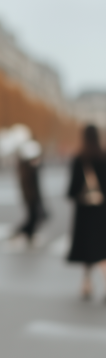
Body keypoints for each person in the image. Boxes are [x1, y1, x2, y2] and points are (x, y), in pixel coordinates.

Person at [67, 124, 106, 299]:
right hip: (102, 211)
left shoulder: (79, 159)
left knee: (86, 248)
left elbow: (72, 190)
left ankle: (87, 284)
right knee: (102, 249)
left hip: (85, 211)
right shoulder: (104, 158)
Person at [13, 139, 47, 244]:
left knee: (33, 217)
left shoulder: (25, 166)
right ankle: (22, 232)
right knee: (33, 217)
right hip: (31, 197)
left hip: (31, 196)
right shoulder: (27, 167)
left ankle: (28, 234)